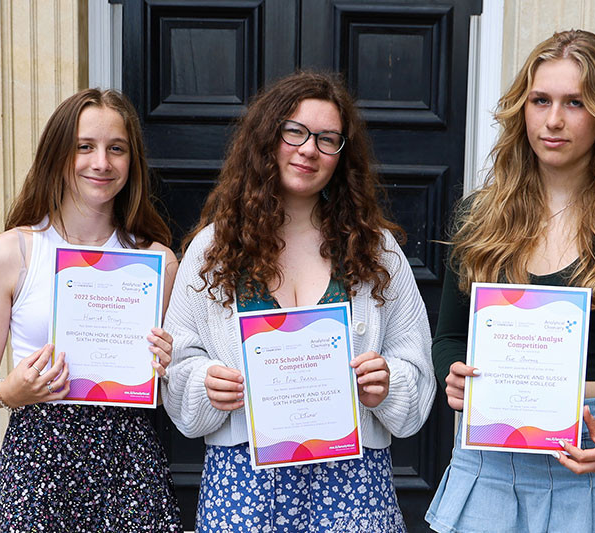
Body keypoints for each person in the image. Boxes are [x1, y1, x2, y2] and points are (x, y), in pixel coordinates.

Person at [425, 30, 595, 533]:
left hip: (592, 455)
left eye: (575, 103)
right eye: (540, 100)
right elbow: (449, 339)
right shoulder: (479, 218)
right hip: (492, 464)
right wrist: (452, 373)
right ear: (522, 109)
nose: (554, 120)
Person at [161, 70, 436, 532]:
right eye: (296, 132)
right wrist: (205, 383)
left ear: (341, 157)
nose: (310, 149)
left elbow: (418, 369)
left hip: (353, 485)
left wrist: (387, 384)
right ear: (269, 138)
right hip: (242, 484)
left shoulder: (377, 250)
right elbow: (180, 362)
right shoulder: (212, 249)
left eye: (328, 139)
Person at [0, 89, 183, 532]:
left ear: (131, 161)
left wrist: (171, 362)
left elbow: (171, 380)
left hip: (129, 462)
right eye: (85, 146)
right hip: (37, 459)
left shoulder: (158, 261)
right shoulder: (12, 252)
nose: (101, 162)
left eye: (116, 149)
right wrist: (11, 390)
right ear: (58, 154)